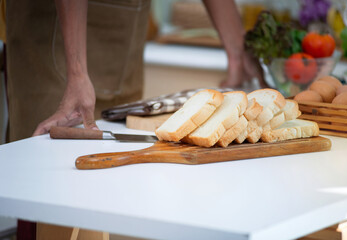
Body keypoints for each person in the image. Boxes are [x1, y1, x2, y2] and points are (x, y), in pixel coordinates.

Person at [5, 0, 264, 239]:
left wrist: (237, 53)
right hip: (56, 35)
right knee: (52, 195)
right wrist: (77, 73)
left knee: (108, 200)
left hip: (122, 32)